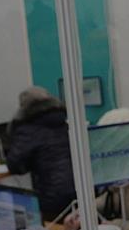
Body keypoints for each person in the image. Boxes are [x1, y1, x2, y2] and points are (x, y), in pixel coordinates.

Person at [5, 86, 76, 221]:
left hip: (51, 196)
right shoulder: (63, 122)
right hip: (78, 190)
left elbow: (14, 164)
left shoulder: (27, 129)